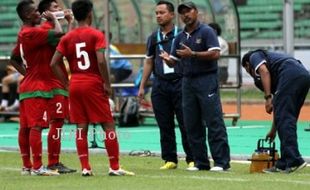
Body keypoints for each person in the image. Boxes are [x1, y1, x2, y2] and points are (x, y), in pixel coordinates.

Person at [50, 0, 134, 177]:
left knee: (81, 127)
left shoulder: (67, 37)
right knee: (108, 125)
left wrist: (66, 82)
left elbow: (54, 63)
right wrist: (107, 84)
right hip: (92, 83)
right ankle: (114, 166)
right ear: (90, 14)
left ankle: (86, 168)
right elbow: (101, 60)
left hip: (75, 84)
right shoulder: (96, 34)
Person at [160, 1, 231, 172]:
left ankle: (221, 162)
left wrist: (193, 54)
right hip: (187, 81)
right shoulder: (180, 37)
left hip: (206, 80)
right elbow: (174, 63)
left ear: (196, 12)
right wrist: (168, 59)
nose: (185, 14)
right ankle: (201, 162)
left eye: (188, 11)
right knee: (191, 123)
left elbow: (215, 53)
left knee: (213, 121)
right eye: (182, 12)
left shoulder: (207, 31)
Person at [138, 1, 193, 170]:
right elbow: (149, 62)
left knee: (186, 123)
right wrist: (142, 86)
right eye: (156, 13)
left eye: (162, 12)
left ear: (171, 15)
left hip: (180, 83)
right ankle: (170, 159)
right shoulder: (153, 38)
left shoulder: (182, 35)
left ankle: (192, 158)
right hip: (160, 85)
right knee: (164, 124)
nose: (158, 16)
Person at [10, 0, 63, 176]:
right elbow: (58, 32)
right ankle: (39, 166)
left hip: (28, 85)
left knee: (25, 127)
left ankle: (27, 166)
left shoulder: (22, 34)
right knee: (37, 127)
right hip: (38, 87)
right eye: (35, 11)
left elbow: (14, 58)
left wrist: (28, 74)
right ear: (26, 15)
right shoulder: (32, 32)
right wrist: (54, 18)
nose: (38, 13)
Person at [241, 49, 310, 173]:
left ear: (247, 65)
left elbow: (263, 71)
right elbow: (279, 106)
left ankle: (295, 160)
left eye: (247, 70)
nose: (251, 74)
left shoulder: (254, 56)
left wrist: (267, 98)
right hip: (303, 75)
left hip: (290, 74)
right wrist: (273, 130)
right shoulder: (268, 76)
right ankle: (283, 163)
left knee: (286, 119)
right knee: (286, 118)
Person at [37, 0, 76, 174]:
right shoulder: (46, 30)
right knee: (56, 122)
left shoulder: (47, 29)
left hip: (54, 80)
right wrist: (68, 22)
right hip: (53, 82)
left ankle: (39, 163)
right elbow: (66, 44)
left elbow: (70, 42)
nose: (60, 9)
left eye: (59, 7)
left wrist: (69, 23)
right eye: (55, 8)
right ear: (46, 12)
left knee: (55, 122)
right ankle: (52, 162)